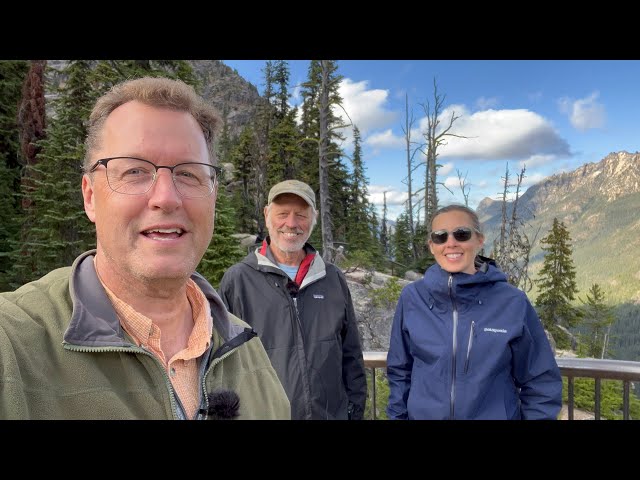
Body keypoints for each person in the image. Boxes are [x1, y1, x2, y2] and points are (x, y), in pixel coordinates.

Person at [0, 77, 290, 420]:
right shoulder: (13, 344)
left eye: (188, 174)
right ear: (90, 196)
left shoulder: (248, 351)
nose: (166, 197)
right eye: (135, 171)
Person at [386, 204, 562, 420]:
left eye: (461, 234)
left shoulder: (512, 302)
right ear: (432, 246)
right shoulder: (412, 298)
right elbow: (400, 371)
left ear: (479, 240)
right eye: (440, 236)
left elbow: (540, 379)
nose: (451, 243)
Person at [218, 180, 367, 420]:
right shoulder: (238, 280)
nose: (291, 223)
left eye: (301, 215)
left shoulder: (332, 278)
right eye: (283, 214)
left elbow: (351, 356)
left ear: (314, 218)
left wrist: (354, 412)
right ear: (267, 215)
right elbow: (222, 363)